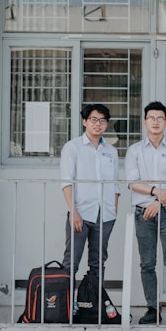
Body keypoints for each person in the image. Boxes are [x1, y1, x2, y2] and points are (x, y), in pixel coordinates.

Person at [125, 101, 166, 325]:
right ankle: (152, 308)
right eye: (152, 118)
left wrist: (158, 202)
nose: (156, 122)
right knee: (147, 263)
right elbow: (132, 182)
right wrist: (155, 192)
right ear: (145, 122)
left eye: (160, 118)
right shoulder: (135, 150)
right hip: (143, 213)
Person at [60, 104, 120, 280]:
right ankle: (68, 306)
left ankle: (93, 306)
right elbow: (66, 182)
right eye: (93, 119)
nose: (98, 124)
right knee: (71, 262)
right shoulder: (72, 147)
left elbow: (115, 185)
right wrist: (73, 211)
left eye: (102, 120)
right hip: (81, 213)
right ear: (85, 121)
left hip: (105, 216)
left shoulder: (111, 151)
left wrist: (113, 209)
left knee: (98, 263)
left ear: (107, 124)